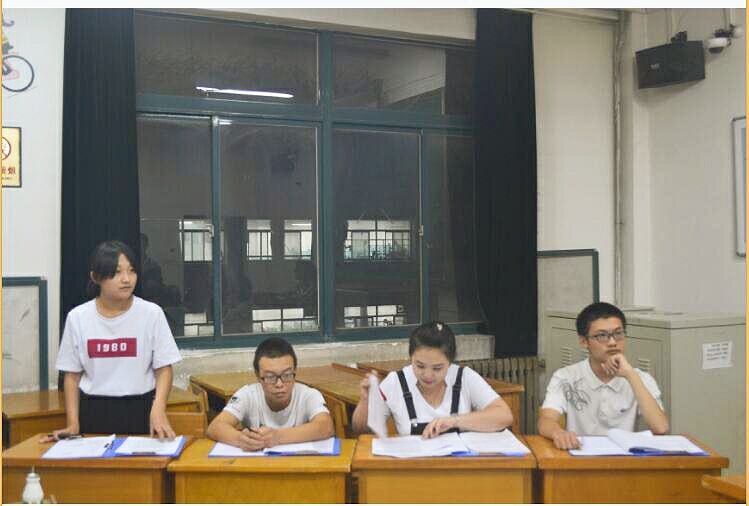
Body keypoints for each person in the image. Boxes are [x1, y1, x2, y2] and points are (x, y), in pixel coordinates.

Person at [48, 240, 182, 440]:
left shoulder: (151, 313)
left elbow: (164, 368)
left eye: (131, 271)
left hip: (140, 409)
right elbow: (72, 376)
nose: (126, 279)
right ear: (95, 277)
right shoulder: (78, 317)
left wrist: (159, 408)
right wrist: (73, 423)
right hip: (93, 410)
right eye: (116, 272)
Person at [538, 302, 669, 450]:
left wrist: (630, 375)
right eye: (602, 336)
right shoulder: (566, 376)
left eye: (618, 334)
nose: (612, 342)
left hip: (624, 458)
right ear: (583, 341)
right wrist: (558, 433)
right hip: (581, 454)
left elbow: (661, 428)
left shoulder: (640, 378)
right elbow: (546, 419)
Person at [352, 321, 513, 438]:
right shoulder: (396, 381)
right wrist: (365, 401)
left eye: (437, 368)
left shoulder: (464, 377)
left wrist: (454, 421)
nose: (428, 375)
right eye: (420, 366)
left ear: (450, 362)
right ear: (410, 358)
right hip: (412, 468)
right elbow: (360, 430)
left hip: (458, 468)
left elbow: (504, 415)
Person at [206, 337, 334, 450]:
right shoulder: (247, 394)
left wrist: (278, 437)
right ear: (258, 376)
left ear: (295, 371)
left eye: (287, 375)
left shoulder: (308, 395)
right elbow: (215, 427)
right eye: (270, 377)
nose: (279, 384)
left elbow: (326, 426)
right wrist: (241, 439)